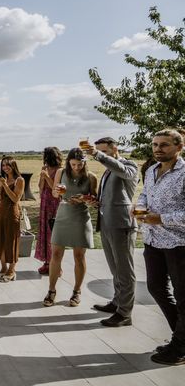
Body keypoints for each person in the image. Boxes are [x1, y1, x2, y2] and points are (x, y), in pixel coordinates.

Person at [134, 129, 185, 366]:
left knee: (183, 296)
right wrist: (139, 208)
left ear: (179, 147)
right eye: (155, 144)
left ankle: (179, 348)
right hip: (153, 240)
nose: (157, 149)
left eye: (164, 145)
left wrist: (161, 218)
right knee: (156, 287)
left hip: (178, 243)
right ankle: (181, 340)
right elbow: (145, 195)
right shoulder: (152, 170)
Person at [83, 137, 139, 327]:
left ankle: (125, 313)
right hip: (107, 222)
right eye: (99, 152)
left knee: (125, 270)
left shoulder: (129, 165)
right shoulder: (108, 170)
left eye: (104, 152)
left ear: (115, 149)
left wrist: (96, 154)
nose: (100, 156)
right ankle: (117, 302)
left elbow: (122, 171)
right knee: (115, 268)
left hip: (122, 223)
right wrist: (96, 202)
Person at [43, 148, 98, 308]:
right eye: (73, 164)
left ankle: (76, 291)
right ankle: (51, 290)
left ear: (85, 162)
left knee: (79, 256)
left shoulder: (91, 177)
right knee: (56, 254)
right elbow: (55, 194)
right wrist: (56, 191)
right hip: (63, 215)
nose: (76, 167)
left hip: (81, 217)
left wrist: (85, 199)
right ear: (68, 162)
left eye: (79, 164)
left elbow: (95, 201)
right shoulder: (61, 172)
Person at [0, 157, 24, 282]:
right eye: (3, 165)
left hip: (12, 214)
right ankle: (3, 268)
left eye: (8, 165)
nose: (5, 167)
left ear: (14, 165)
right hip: (1, 213)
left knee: (11, 242)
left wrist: (4, 184)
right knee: (0, 241)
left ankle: (12, 270)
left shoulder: (19, 180)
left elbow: (15, 199)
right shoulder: (4, 179)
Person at [35, 147, 63, 275]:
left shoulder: (60, 170)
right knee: (44, 231)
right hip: (45, 201)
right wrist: (42, 178)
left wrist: (46, 177)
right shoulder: (44, 169)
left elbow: (56, 189)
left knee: (53, 232)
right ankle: (46, 262)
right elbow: (41, 187)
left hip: (55, 201)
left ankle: (56, 265)